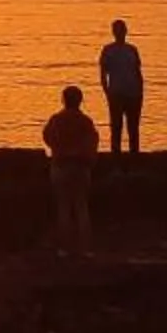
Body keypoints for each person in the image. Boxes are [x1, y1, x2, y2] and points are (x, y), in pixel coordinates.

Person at [42, 83, 98, 252]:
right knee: (81, 207)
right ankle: (85, 248)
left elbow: (47, 136)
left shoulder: (56, 120)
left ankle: (64, 248)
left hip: (61, 165)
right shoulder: (86, 121)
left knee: (64, 208)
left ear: (63, 100)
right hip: (81, 166)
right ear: (80, 101)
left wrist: (59, 149)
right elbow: (93, 142)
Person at [98, 18, 144, 154]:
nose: (120, 33)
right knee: (116, 127)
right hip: (116, 94)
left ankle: (134, 156)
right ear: (113, 32)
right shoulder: (108, 50)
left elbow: (137, 71)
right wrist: (107, 92)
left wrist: (140, 91)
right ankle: (116, 157)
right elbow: (103, 74)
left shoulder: (132, 50)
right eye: (118, 30)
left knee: (133, 128)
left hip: (133, 94)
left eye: (122, 30)